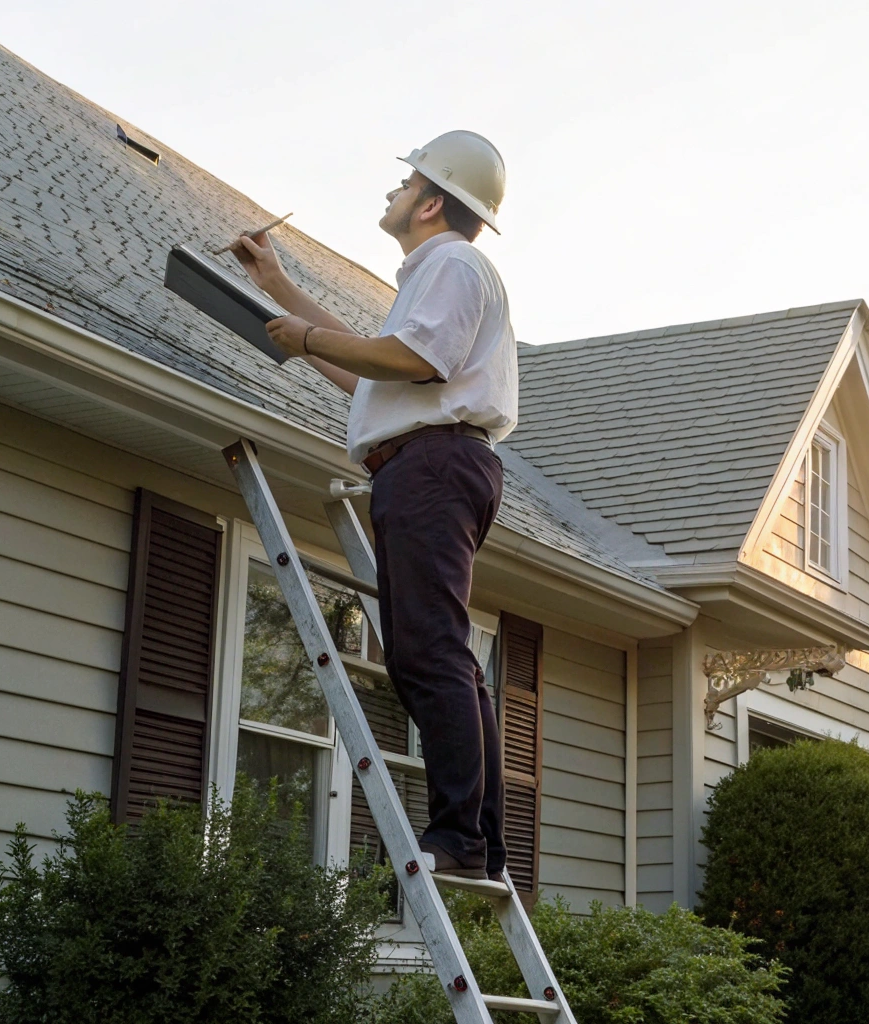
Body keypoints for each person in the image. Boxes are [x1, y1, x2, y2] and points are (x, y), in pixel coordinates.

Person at [229, 131, 514, 880]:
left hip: (431, 467)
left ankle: (460, 838)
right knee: (438, 651)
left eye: (404, 184)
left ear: (429, 202)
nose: (389, 194)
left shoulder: (451, 261)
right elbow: (373, 377)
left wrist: (309, 332)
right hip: (431, 463)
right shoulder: (433, 276)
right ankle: (479, 839)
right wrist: (278, 291)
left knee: (430, 652)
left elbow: (415, 361)